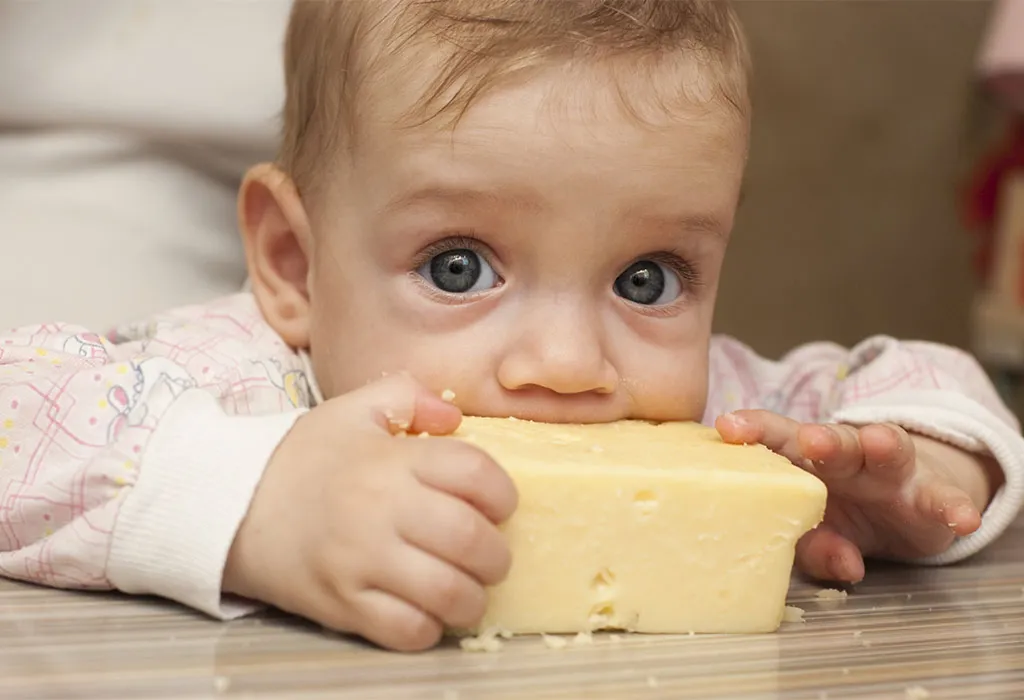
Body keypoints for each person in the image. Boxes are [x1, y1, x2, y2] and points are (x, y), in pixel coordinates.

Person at [1, 0, 1021, 653]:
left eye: (647, 278)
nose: (569, 365)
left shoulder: (718, 413)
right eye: (458, 267)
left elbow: (914, 378)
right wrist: (254, 502)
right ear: (293, 265)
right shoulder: (241, 387)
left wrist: (920, 466)